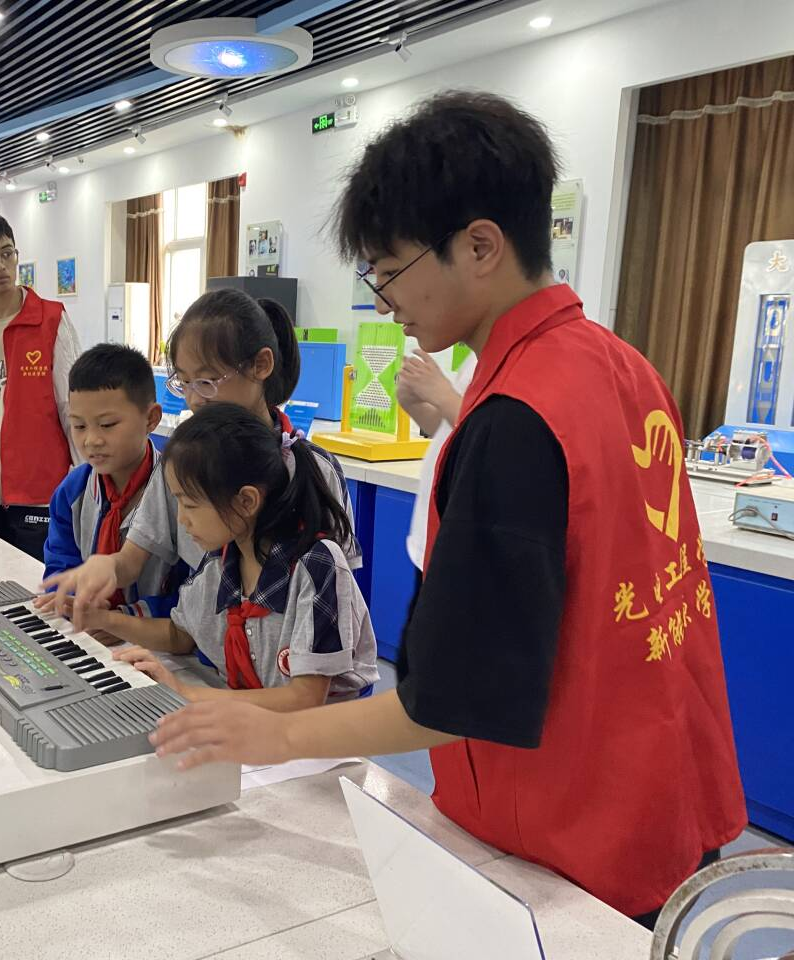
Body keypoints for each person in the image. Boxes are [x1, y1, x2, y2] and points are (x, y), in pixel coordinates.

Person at [148, 90, 746, 926]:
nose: (383, 299)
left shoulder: (513, 418)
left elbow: (448, 700)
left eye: (390, 269)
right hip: (667, 796)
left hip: (571, 834)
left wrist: (271, 734)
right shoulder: (624, 365)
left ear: (479, 246)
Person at [43, 288, 360, 617]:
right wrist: (105, 569)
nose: (194, 399)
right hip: (203, 644)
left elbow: (338, 589)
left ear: (261, 365)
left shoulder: (312, 468)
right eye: (184, 383)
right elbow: (131, 561)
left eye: (207, 381)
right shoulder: (182, 462)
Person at [97, 404, 378, 709]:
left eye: (190, 505)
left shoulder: (316, 566)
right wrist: (103, 619)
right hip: (255, 719)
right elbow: (181, 634)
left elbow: (304, 698)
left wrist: (183, 691)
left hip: (321, 730)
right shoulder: (222, 561)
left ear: (246, 501)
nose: (181, 520)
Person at [0, 214, 80, 562]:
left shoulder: (51, 320)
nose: (0, 265)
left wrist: (81, 480)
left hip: (43, 491)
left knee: (43, 585)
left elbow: (73, 408)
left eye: (7, 253)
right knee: (3, 583)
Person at [41, 343, 184, 622]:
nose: (91, 440)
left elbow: (196, 590)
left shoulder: (181, 493)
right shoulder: (71, 493)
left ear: (151, 419)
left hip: (162, 636)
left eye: (107, 425)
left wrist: (125, 618)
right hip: (90, 631)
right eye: (79, 426)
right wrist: (76, 602)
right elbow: (61, 569)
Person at [395, 349, 474, 575]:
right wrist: (413, 404)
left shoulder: (516, 361)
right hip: (432, 540)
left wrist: (443, 394)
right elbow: (446, 431)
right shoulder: (474, 359)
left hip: (459, 551)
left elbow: (489, 436)